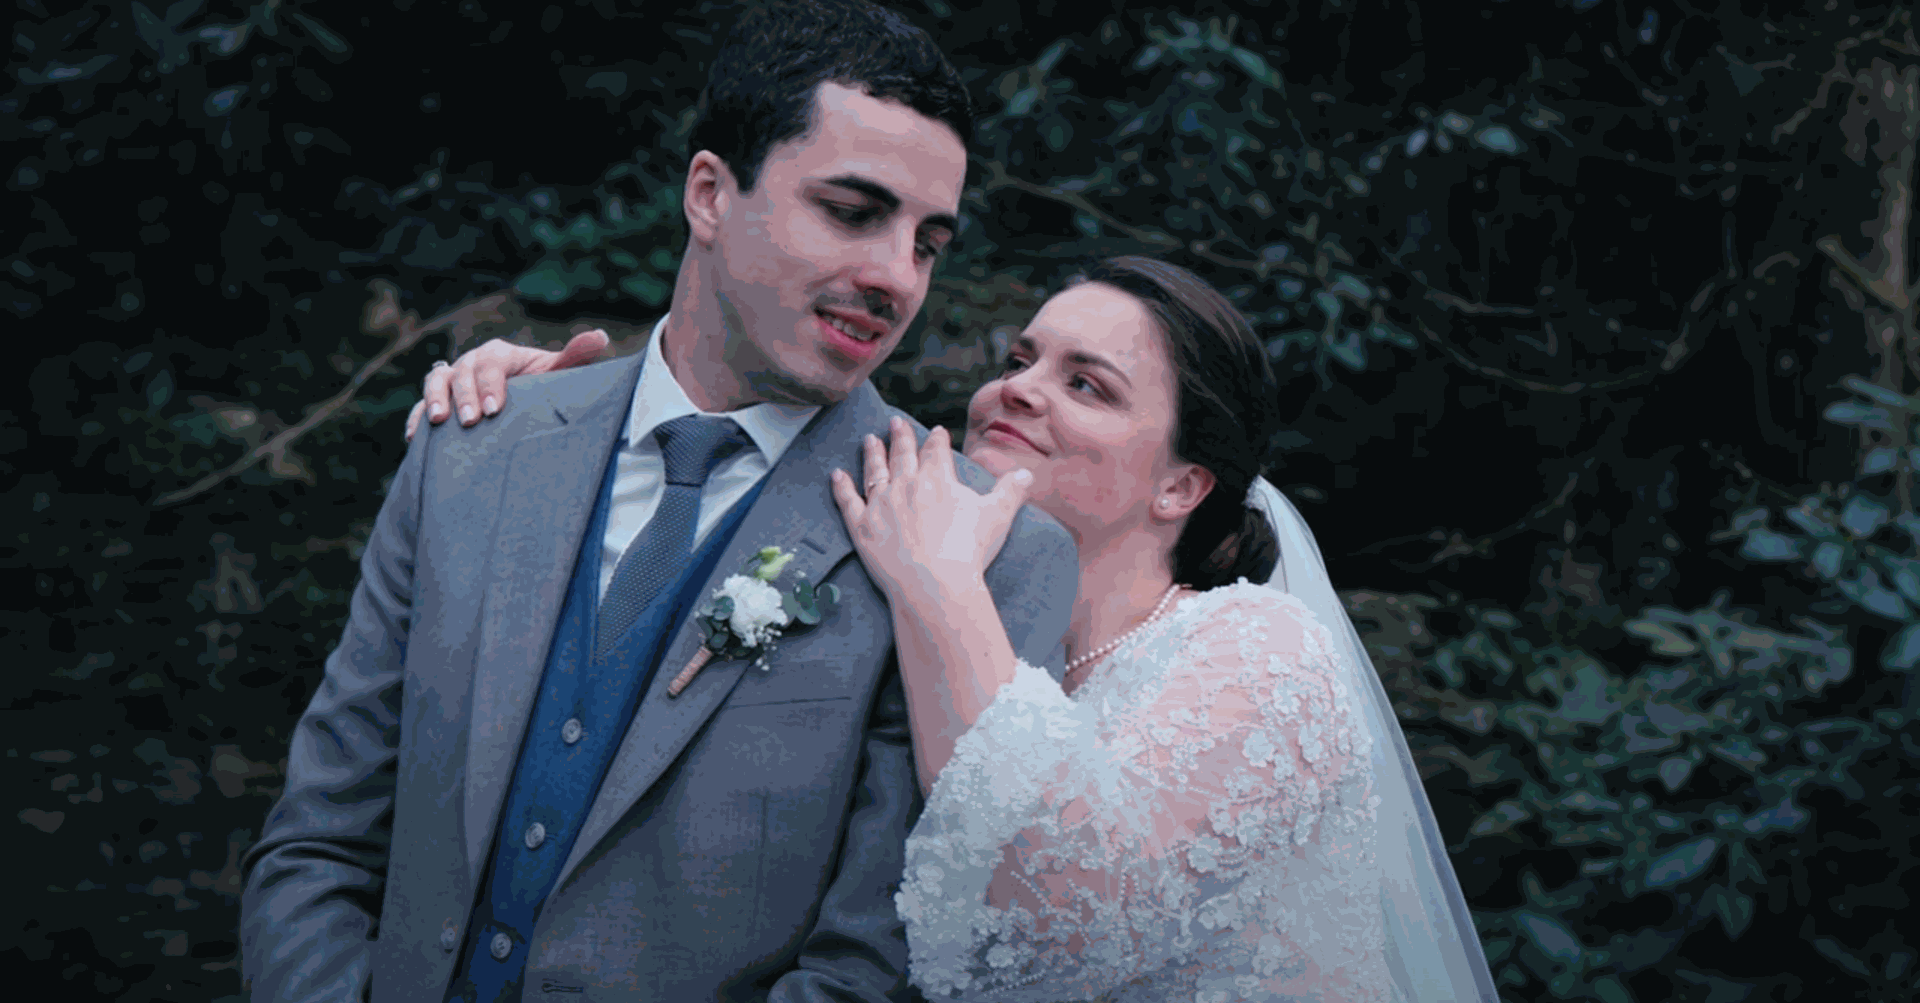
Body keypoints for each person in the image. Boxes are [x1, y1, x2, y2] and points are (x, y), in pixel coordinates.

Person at [237, 3, 1080, 1002]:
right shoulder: (474, 447)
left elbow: (872, 973)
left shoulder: (987, 553)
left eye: (928, 242)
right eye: (852, 211)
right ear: (711, 195)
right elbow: (319, 847)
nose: (896, 276)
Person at [421, 257, 1501, 1001]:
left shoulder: (1259, 652)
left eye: (1086, 385)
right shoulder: (918, 594)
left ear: (1181, 485)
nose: (1015, 390)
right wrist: (557, 418)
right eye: (1023, 356)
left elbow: (1070, 921)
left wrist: (939, 584)